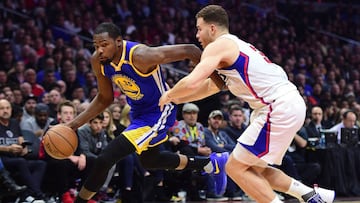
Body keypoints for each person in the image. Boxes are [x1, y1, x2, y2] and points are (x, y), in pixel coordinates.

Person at [159, 5, 335, 203]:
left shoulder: (219, 45)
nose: (197, 34)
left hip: (276, 105)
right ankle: (311, 195)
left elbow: (194, 80)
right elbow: (209, 87)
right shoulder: (233, 49)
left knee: (234, 167)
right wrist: (176, 98)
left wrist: (168, 94)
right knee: (253, 168)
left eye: (199, 28)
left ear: (212, 28)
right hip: (283, 103)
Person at [66, 22, 228, 202]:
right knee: (151, 160)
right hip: (137, 113)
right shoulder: (99, 60)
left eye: (104, 45)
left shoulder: (141, 56)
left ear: (118, 42)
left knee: (105, 159)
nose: (100, 50)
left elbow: (190, 50)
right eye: (96, 46)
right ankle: (210, 164)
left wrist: (217, 79)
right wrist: (73, 125)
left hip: (158, 111)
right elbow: (105, 98)